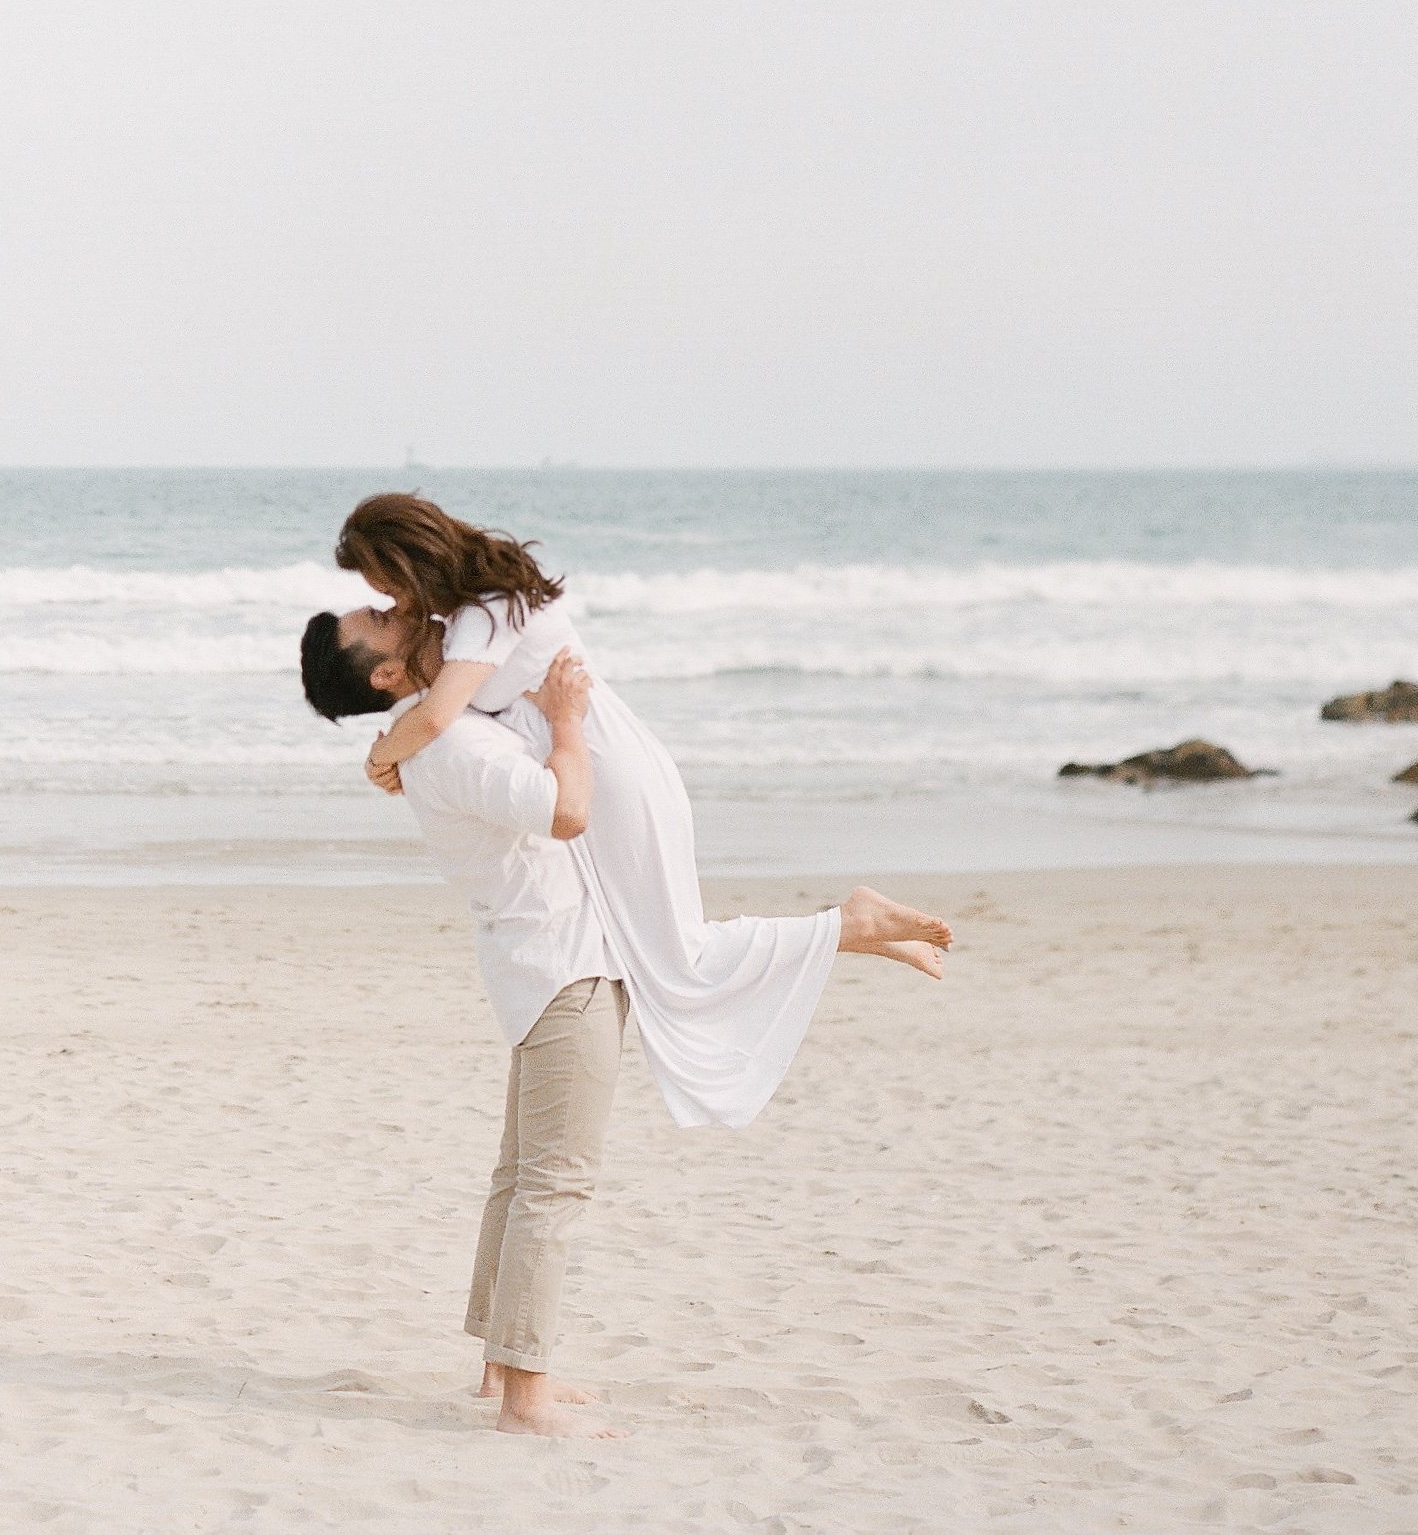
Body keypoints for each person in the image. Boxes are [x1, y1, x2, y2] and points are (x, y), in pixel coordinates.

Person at [300, 494, 951, 1131]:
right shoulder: (474, 619)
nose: (393, 601)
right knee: (664, 957)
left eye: (385, 586)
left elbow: (438, 715)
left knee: (678, 957)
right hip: (584, 767)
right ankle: (852, 930)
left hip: (610, 771)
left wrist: (383, 752)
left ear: (411, 563)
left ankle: (851, 924)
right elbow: (440, 712)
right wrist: (401, 749)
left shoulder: (487, 615)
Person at [328, 636, 629, 1439]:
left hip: (540, 960)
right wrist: (567, 724)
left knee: (523, 1172)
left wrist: (387, 748)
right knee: (554, 1184)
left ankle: (504, 1368)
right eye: (383, 620)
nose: (408, 616)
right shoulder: (451, 741)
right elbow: (567, 812)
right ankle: (524, 1401)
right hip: (563, 962)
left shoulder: (437, 729)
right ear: (386, 674)